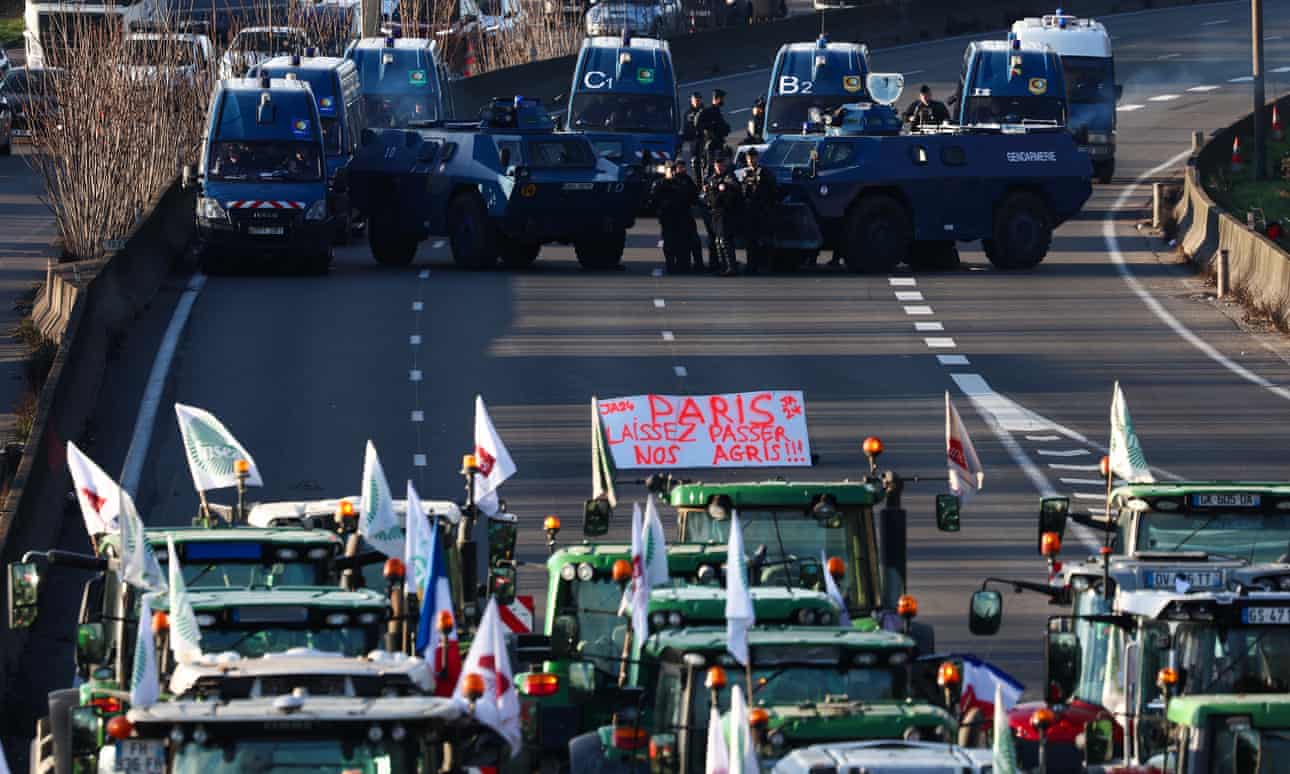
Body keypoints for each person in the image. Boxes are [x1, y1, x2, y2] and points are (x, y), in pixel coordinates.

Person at [650, 161, 704, 273]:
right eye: (671, 170)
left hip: (684, 215)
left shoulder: (685, 181)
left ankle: (688, 265)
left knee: (690, 241)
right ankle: (671, 265)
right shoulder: (661, 183)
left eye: (676, 169)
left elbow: (693, 196)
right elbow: (653, 200)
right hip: (668, 217)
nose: (674, 172)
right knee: (670, 242)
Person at [702, 153, 742, 276]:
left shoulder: (729, 177)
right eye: (717, 166)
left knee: (725, 240)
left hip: (726, 213)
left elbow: (735, 188)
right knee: (718, 241)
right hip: (715, 213)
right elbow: (707, 193)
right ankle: (722, 266)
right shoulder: (712, 178)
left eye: (721, 166)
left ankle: (731, 266)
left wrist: (725, 186)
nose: (719, 168)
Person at [740, 147, 777, 274]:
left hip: (763, 211)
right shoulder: (745, 173)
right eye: (748, 158)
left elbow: (773, 191)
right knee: (750, 241)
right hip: (750, 212)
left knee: (765, 240)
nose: (751, 160)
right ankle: (751, 265)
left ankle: (766, 266)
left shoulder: (765, 173)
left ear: (757, 158)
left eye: (753, 158)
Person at [695, 88, 731, 180]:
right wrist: (708, 130)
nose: (723, 101)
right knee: (710, 167)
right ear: (717, 98)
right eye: (722, 98)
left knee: (721, 167)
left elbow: (722, 126)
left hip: (718, 143)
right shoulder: (708, 111)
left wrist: (725, 128)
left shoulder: (717, 111)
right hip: (711, 146)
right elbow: (697, 123)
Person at [682, 91, 703, 169]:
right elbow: (686, 126)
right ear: (691, 101)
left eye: (698, 100)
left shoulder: (704, 111)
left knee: (702, 157)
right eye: (695, 100)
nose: (696, 102)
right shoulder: (688, 113)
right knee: (693, 159)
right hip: (692, 139)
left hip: (703, 139)